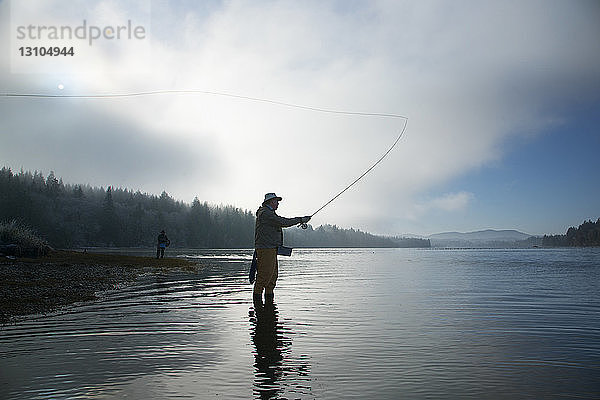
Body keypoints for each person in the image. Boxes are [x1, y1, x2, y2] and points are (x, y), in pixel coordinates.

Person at [253, 193, 310, 303]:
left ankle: (269, 306)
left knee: (272, 278)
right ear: (270, 202)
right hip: (266, 248)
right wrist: (301, 219)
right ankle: (258, 307)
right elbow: (283, 222)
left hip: (271, 248)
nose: (278, 203)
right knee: (264, 277)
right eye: (276, 201)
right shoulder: (265, 213)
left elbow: (281, 222)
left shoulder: (269, 213)